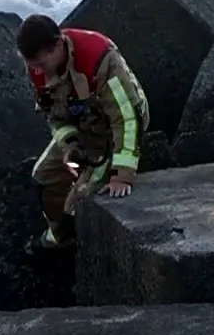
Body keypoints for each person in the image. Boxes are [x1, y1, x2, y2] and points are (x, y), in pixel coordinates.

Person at [16, 14, 149, 250]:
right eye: (32, 65)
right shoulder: (37, 69)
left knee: (81, 199)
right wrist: (71, 146)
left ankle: (78, 242)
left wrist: (122, 174)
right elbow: (54, 117)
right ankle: (61, 235)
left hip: (115, 125)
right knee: (43, 178)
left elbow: (127, 118)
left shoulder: (100, 59)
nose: (37, 71)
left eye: (40, 64)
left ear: (57, 45)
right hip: (82, 126)